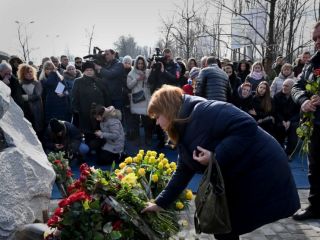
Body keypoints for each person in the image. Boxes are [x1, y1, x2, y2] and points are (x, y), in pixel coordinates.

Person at [142, 85, 300, 240]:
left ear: (168, 110)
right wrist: (160, 202)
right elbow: (183, 169)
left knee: (226, 225)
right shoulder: (183, 124)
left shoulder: (204, 111)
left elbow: (247, 125)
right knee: (224, 226)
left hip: (261, 169)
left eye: (157, 116)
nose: (156, 123)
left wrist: (215, 156)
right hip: (240, 174)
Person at [291, 21, 320, 220]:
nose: (317, 42)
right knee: (315, 168)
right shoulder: (312, 63)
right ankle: (315, 207)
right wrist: (303, 101)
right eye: (315, 38)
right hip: (315, 125)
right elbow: (297, 86)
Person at [273, 79, 300, 157]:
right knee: (279, 127)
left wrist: (290, 121)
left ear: (292, 88)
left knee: (294, 127)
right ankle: (278, 150)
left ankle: (289, 153)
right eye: (283, 85)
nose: (284, 87)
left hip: (293, 120)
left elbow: (299, 112)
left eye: (286, 86)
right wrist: (283, 121)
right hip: (280, 119)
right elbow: (276, 111)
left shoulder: (297, 97)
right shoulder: (277, 96)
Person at [17, 63, 44, 138]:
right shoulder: (20, 83)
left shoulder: (37, 83)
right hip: (26, 108)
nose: (29, 74)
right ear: (23, 74)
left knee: (38, 125)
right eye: (27, 72)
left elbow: (38, 95)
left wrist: (26, 97)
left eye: (30, 72)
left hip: (36, 107)